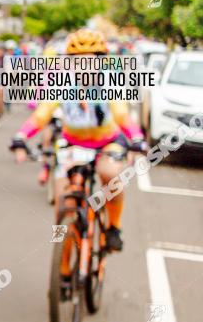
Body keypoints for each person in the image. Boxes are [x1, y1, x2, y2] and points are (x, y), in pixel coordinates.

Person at [10, 29, 146, 252]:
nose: (84, 65)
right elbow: (42, 114)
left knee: (111, 175)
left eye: (90, 59)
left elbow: (122, 115)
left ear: (100, 61)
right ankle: (63, 261)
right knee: (64, 201)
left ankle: (113, 227)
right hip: (72, 143)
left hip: (107, 142)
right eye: (78, 60)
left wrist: (137, 138)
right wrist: (21, 136)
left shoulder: (110, 82)